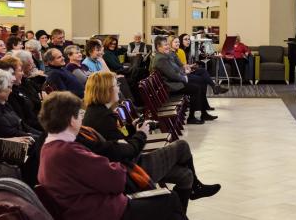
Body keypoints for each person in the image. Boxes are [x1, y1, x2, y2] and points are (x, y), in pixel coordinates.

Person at [82, 72, 220, 213]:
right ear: (106, 90)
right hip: (131, 171)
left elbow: (119, 143)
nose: (119, 88)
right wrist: (142, 134)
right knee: (181, 146)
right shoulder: (102, 118)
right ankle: (196, 188)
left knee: (185, 176)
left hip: (129, 165)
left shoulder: (99, 113)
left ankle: (181, 212)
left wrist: (133, 129)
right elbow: (127, 152)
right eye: (115, 85)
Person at [37, 91, 188, 220]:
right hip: (101, 212)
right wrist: (117, 165)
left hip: (84, 209)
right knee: (170, 200)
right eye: (79, 115)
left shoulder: (49, 148)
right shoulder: (68, 151)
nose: (81, 119)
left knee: (177, 182)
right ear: (71, 120)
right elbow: (116, 180)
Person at [151, 36, 217, 124]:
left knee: (200, 82)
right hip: (171, 86)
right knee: (196, 87)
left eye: (167, 44)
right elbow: (173, 75)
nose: (167, 46)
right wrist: (184, 77)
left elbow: (176, 70)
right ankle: (192, 117)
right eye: (165, 45)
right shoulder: (161, 59)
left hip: (172, 82)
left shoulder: (164, 56)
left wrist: (183, 74)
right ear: (159, 47)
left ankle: (203, 112)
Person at [0, 69, 41, 139]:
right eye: (8, 87)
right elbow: (7, 133)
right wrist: (38, 138)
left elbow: (22, 124)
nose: (11, 90)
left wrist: (42, 135)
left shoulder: (1, 100)